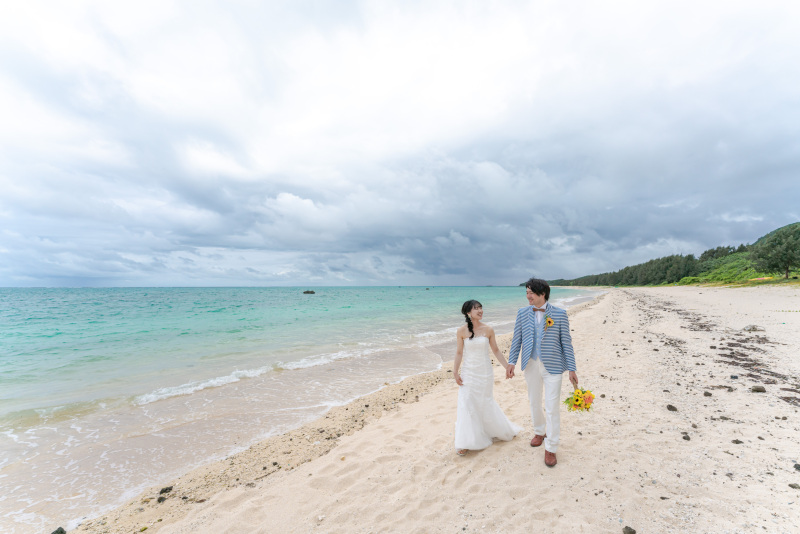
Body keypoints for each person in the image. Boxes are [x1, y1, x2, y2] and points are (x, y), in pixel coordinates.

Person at [506, 278, 578, 467]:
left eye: (531, 292)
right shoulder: (522, 313)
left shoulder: (560, 314)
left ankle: (551, 448)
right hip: (530, 363)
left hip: (553, 365)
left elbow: (566, 343)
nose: (528, 296)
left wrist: (572, 368)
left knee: (552, 406)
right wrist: (511, 362)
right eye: (526, 293)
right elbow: (517, 340)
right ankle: (539, 431)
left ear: (542, 293)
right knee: (534, 401)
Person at [453, 300, 521, 456]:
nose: (480, 310)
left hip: (485, 372)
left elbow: (496, 350)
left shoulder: (488, 329)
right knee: (467, 403)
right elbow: (459, 353)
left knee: (485, 402)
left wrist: (507, 367)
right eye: (476, 308)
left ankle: (494, 430)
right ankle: (465, 441)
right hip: (468, 373)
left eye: (481, 308)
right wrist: (455, 372)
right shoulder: (461, 331)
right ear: (468, 312)